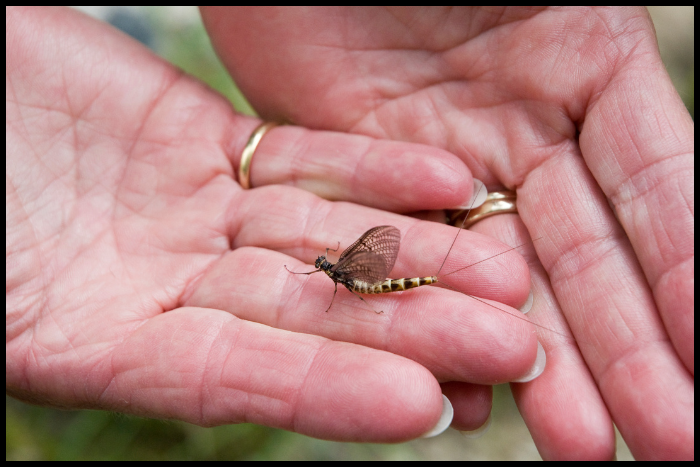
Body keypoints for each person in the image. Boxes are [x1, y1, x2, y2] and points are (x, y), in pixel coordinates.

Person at [6, 6, 692, 460]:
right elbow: (339, 281)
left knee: (400, 292)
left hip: (391, 280)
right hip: (380, 278)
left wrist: (350, 284)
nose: (324, 271)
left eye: (328, 269)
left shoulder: (352, 274)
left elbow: (352, 284)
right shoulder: (343, 272)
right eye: (328, 269)